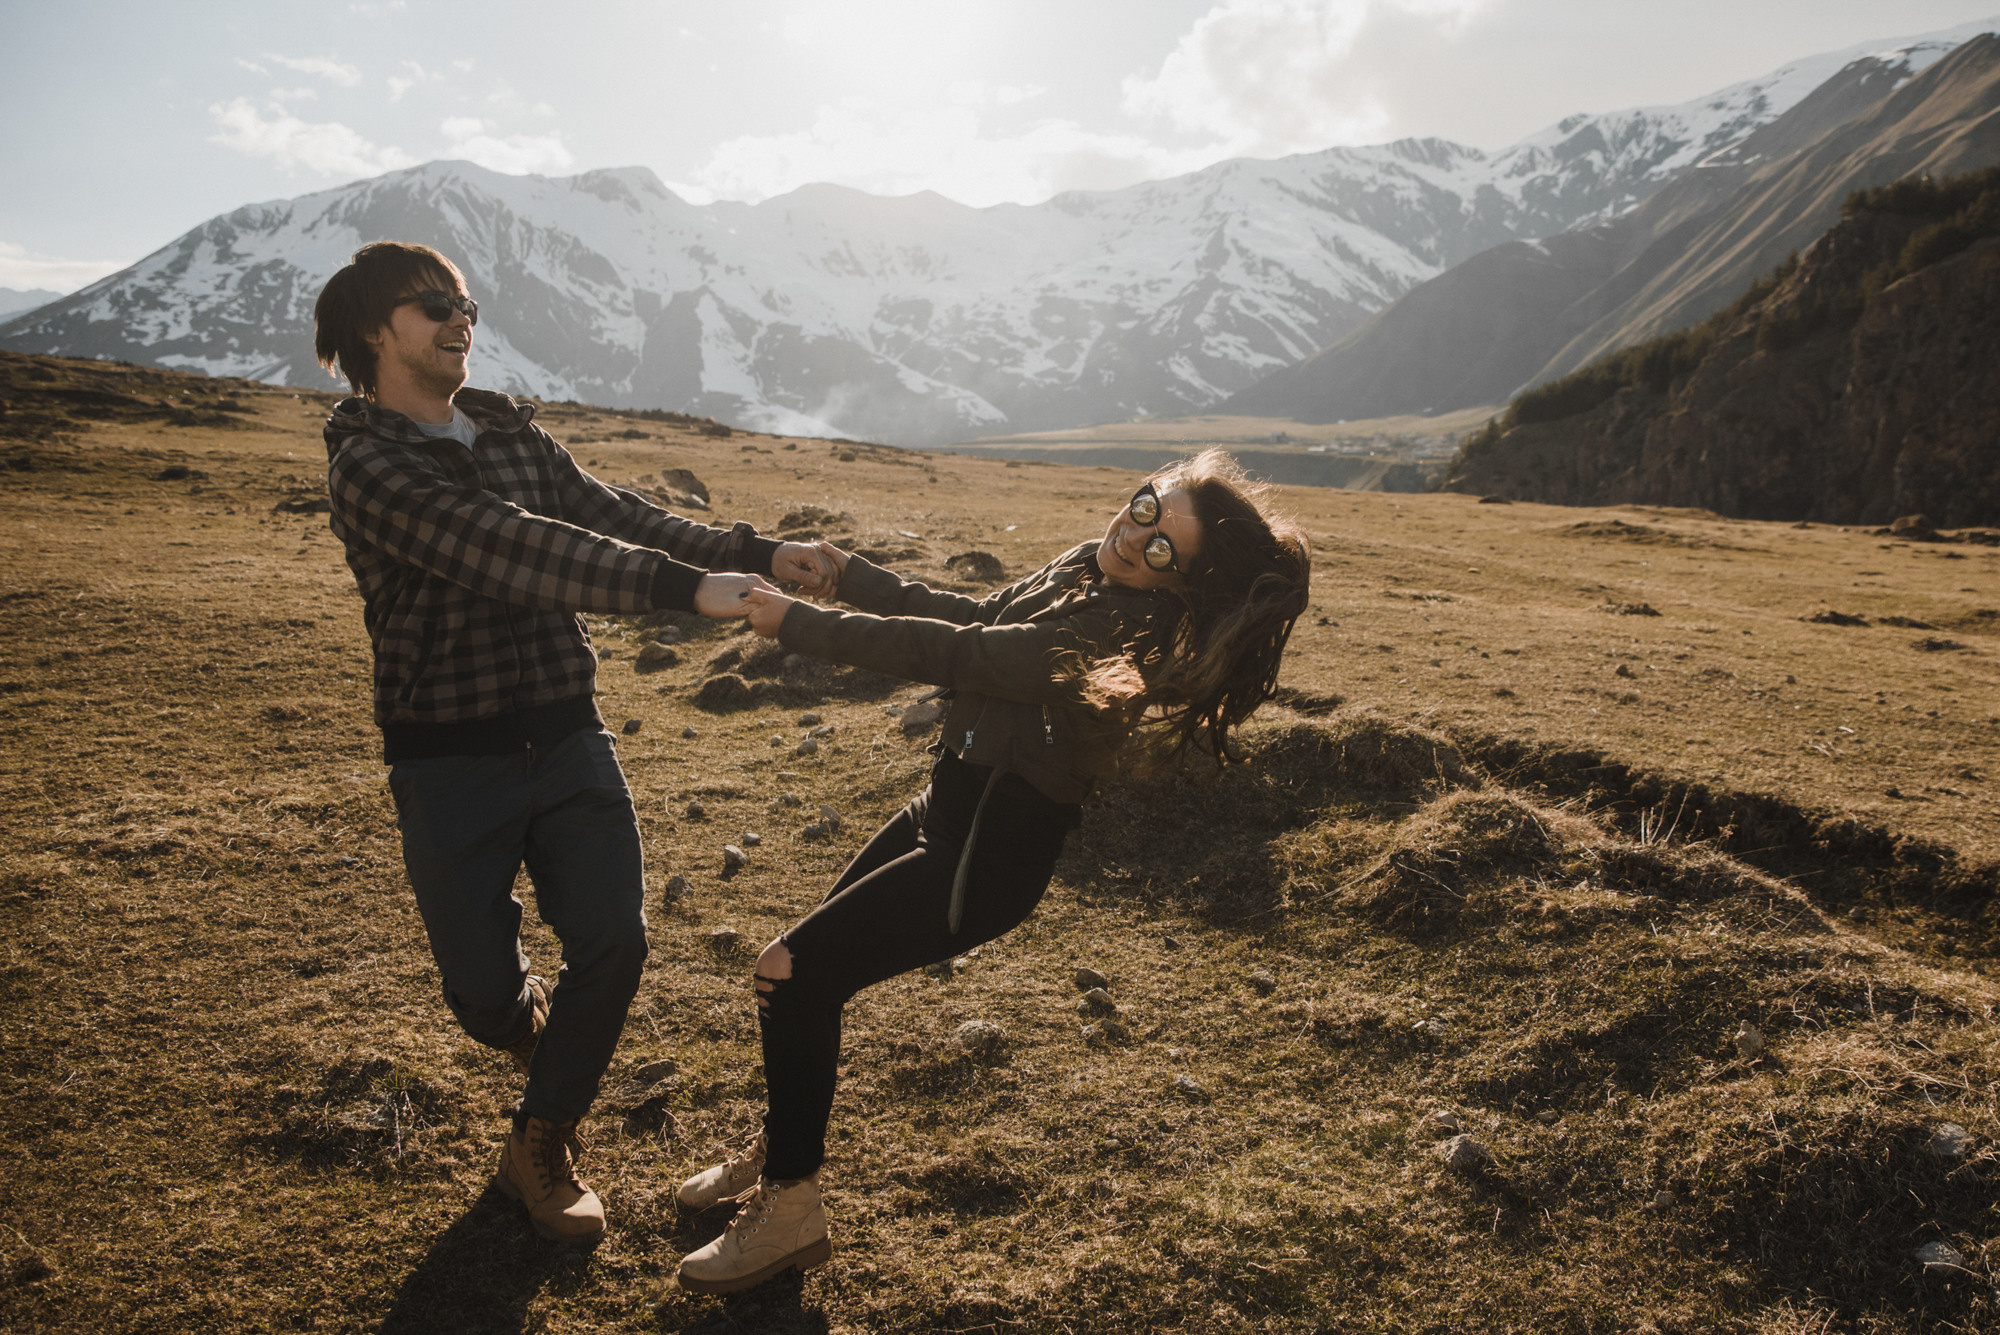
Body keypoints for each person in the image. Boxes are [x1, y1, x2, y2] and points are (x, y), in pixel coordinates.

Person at [670, 449, 1311, 1294]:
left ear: (1187, 583)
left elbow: (963, 654)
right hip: (946, 805)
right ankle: (781, 1148)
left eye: (1164, 550)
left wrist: (797, 622)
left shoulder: (1119, 633)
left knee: (791, 972)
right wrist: (849, 573)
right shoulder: (1087, 566)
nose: (1134, 537)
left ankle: (791, 1207)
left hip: (987, 852)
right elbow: (974, 611)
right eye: (1145, 508)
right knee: (800, 975)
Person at [314, 241, 833, 1247]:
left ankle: (537, 1142)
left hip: (564, 733)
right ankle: (523, 1028)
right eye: (433, 306)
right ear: (375, 332)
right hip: (447, 757)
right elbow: (506, 547)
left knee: (616, 939)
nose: (460, 320)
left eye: (465, 303)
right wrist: (680, 592)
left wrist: (755, 552)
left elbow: (611, 516)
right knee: (482, 999)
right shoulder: (369, 465)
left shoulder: (511, 433)